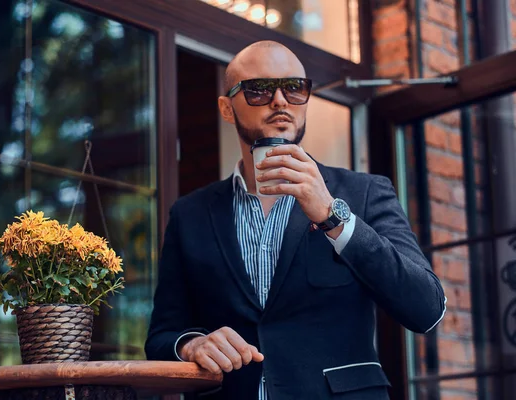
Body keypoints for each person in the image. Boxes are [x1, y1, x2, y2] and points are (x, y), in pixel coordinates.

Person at [144, 40, 446, 400]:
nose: (280, 101)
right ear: (227, 108)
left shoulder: (364, 193)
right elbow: (162, 335)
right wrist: (192, 345)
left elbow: (426, 309)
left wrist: (332, 216)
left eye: (294, 88)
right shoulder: (190, 214)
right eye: (259, 90)